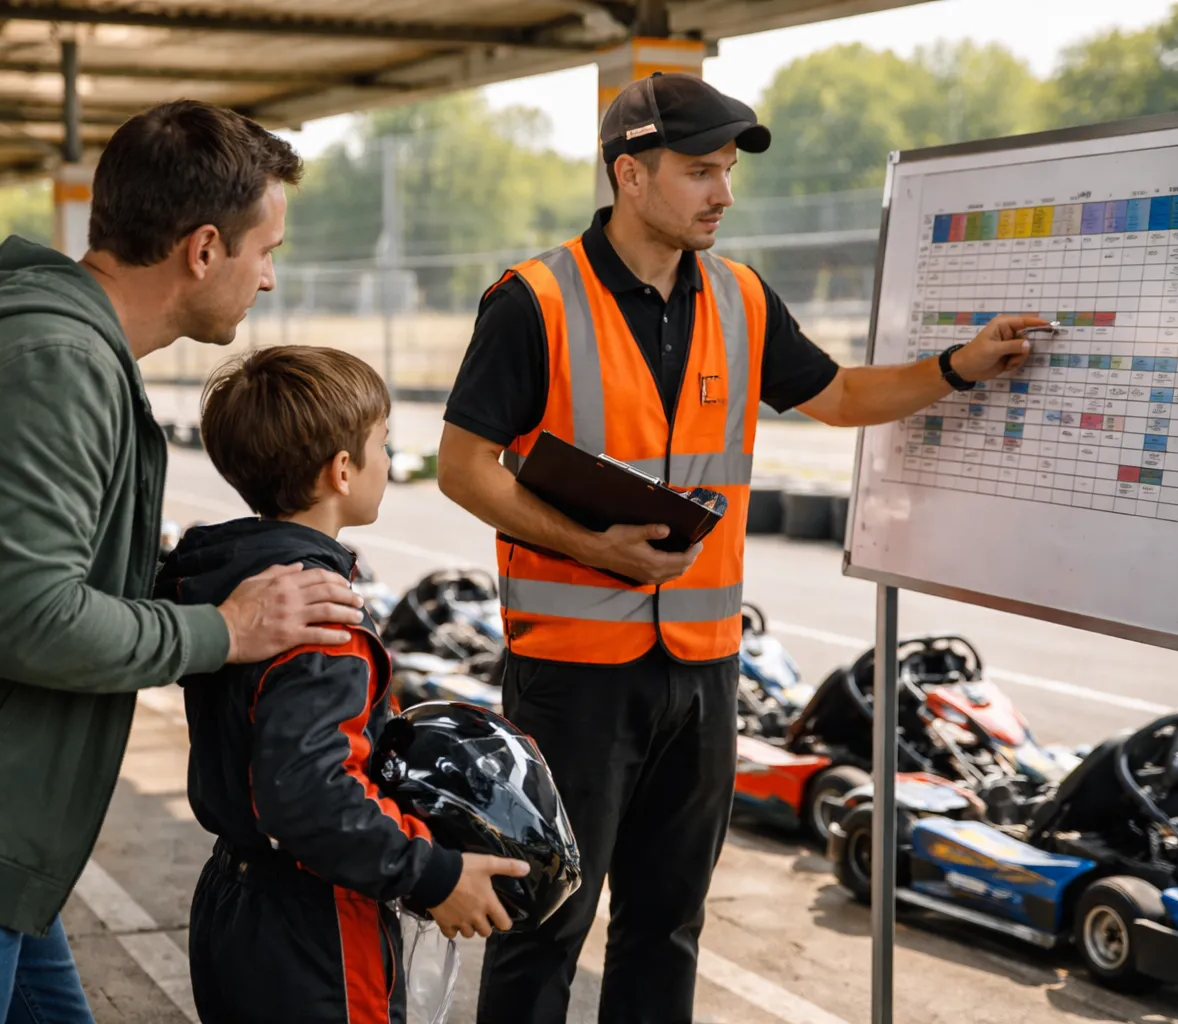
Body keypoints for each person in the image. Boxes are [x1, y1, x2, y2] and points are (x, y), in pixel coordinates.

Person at [436, 72, 1047, 1024]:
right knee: (544, 921)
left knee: (668, 923)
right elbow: (463, 468)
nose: (723, 192)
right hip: (574, 674)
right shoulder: (534, 301)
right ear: (629, 173)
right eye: (700, 171)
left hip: (704, 671)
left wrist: (957, 368)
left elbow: (839, 396)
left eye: (727, 170)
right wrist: (599, 548)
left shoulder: (741, 296)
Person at [0, 100, 368, 1024]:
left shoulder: (61, 349)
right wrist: (224, 631)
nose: (268, 278)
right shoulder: (51, 363)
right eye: (267, 252)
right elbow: (28, 621)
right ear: (203, 249)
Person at [157, 345, 529, 1024]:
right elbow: (310, 793)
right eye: (383, 444)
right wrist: (435, 875)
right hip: (315, 923)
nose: (388, 460)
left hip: (233, 899)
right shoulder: (319, 613)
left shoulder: (233, 582)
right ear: (342, 470)